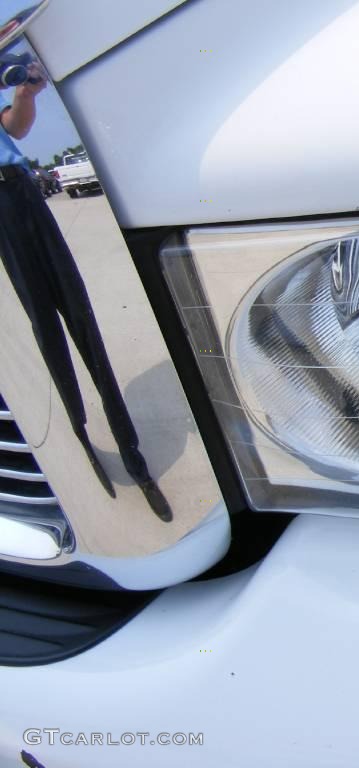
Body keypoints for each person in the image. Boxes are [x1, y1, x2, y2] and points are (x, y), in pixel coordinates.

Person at [0, 56, 172, 522]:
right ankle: (80, 432)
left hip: (23, 193)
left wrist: (24, 94)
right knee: (44, 321)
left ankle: (131, 452)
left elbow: (14, 129)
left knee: (78, 311)